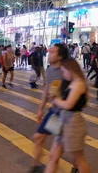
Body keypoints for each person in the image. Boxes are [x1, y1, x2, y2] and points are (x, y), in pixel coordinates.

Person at [30, 43, 71, 173]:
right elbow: (46, 90)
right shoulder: (49, 70)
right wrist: (41, 108)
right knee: (38, 137)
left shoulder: (67, 71)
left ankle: (77, 166)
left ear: (60, 56)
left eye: (52, 52)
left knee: (56, 153)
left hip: (66, 114)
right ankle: (35, 167)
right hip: (54, 112)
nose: (49, 54)